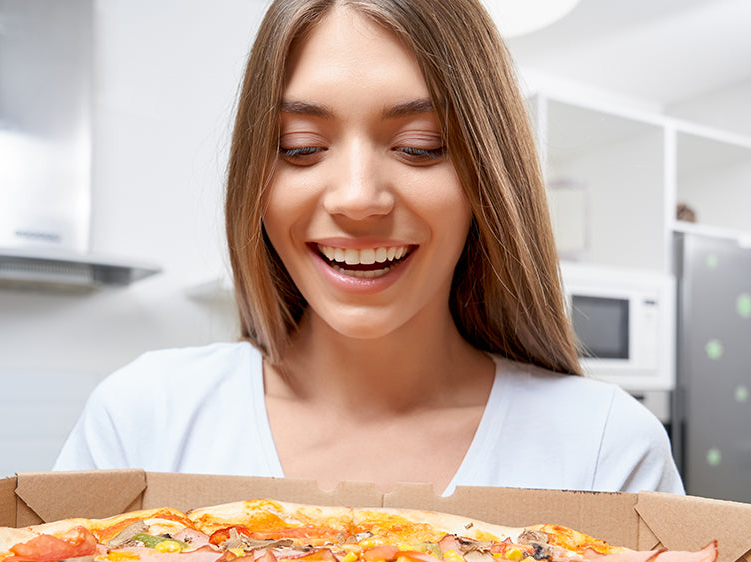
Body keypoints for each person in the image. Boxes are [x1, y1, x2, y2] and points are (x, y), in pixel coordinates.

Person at [54, 0, 684, 496]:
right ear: (255, 181)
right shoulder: (144, 419)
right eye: (301, 146)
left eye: (419, 145)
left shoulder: (606, 448)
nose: (358, 198)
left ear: (487, 181)